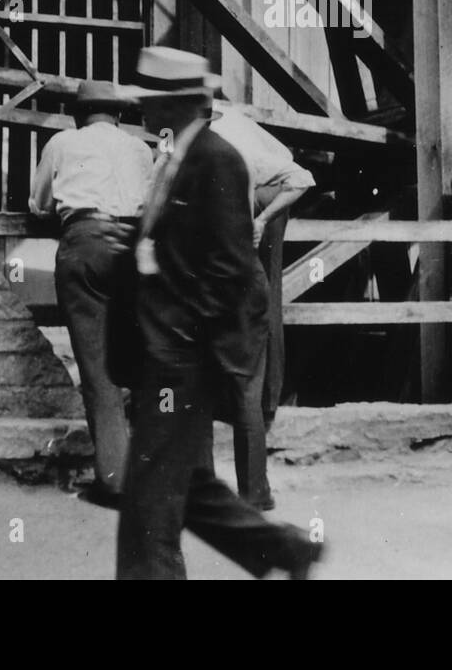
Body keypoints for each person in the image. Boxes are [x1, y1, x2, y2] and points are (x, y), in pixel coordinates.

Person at [117, 46, 324, 580]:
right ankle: (283, 549)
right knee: (183, 482)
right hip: (163, 352)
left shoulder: (217, 159)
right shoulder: (177, 157)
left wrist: (184, 339)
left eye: (152, 100)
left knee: (150, 499)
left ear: (181, 103)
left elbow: (231, 267)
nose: (144, 108)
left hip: (181, 356)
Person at [29, 79, 152, 507]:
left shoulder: (63, 143)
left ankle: (116, 482)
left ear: (78, 115)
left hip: (85, 242)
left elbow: (39, 203)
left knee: (99, 372)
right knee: (138, 365)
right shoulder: (140, 149)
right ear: (117, 115)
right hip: (132, 249)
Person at [209, 100, 315, 509]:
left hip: (265, 195)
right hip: (261, 198)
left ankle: (265, 396)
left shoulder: (221, 144)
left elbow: (301, 178)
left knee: (258, 303)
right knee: (258, 302)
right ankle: (260, 401)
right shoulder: (223, 125)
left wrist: (260, 219)